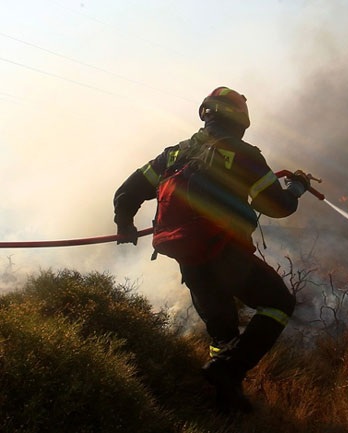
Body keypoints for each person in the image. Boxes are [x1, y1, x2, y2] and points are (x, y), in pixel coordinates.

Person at [113, 86, 309, 413]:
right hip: (225, 252)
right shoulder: (244, 155)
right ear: (242, 121)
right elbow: (278, 207)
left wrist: (125, 224)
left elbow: (126, 193)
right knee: (279, 303)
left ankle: (225, 401)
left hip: (186, 255)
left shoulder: (174, 154)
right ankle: (230, 372)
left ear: (206, 114)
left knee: (222, 334)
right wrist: (297, 188)